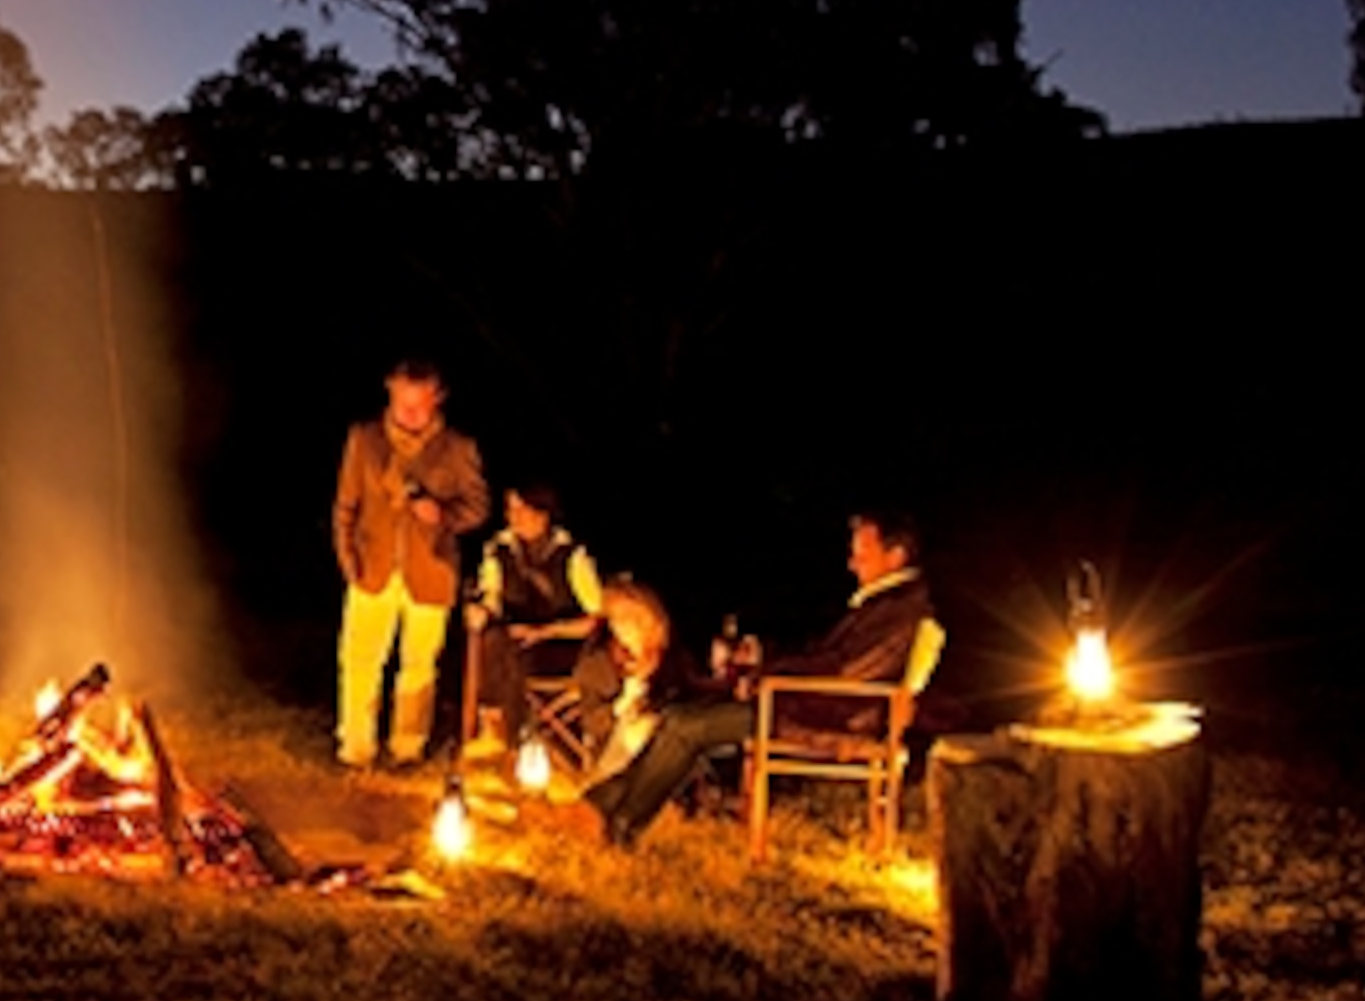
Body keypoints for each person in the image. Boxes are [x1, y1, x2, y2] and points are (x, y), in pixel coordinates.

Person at [583, 508, 934, 848]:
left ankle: (619, 826)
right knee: (679, 713)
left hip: (829, 717)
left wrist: (768, 673)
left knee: (685, 726)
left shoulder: (898, 611)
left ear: (896, 556)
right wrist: (763, 658)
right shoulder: (885, 605)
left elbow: (846, 671)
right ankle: (599, 806)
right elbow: (824, 656)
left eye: (862, 553)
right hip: (811, 704)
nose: (852, 563)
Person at [333, 357, 489, 768]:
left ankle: (407, 747)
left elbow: (478, 507)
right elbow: (345, 506)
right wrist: (349, 562)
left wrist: (443, 515)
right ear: (390, 395)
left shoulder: (457, 448)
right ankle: (356, 749)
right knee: (361, 662)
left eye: (419, 405)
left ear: (437, 399)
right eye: (403, 404)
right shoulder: (365, 440)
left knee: (418, 666)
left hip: (431, 572)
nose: (410, 414)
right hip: (373, 569)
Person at [464, 483, 672, 770]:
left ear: (543, 514)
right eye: (510, 509)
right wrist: (481, 610)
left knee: (514, 653)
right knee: (495, 641)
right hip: (514, 636)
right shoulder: (499, 549)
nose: (515, 517)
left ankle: (513, 736)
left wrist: (545, 632)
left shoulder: (570, 555)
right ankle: (493, 728)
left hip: (562, 643)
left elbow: (596, 616)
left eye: (523, 510)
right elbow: (491, 595)